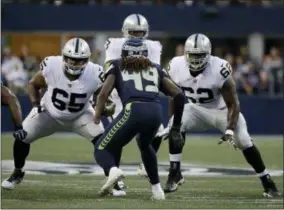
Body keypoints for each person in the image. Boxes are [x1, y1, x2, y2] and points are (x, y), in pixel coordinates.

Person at [160, 34, 281, 198]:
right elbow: (174, 97)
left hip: (222, 111)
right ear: (185, 54)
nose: (195, 60)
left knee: (244, 141)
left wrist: (230, 129)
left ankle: (267, 182)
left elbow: (233, 103)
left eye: (199, 55)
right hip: (195, 109)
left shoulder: (219, 68)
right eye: (192, 55)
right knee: (175, 125)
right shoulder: (176, 65)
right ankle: (174, 173)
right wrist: (173, 125)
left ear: (208, 54)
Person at [1, 38, 114, 191]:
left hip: (80, 115)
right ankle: (18, 171)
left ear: (87, 60)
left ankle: (113, 180)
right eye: (70, 59)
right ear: (63, 57)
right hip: (49, 113)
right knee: (22, 137)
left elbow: (103, 97)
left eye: (79, 60)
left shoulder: (95, 72)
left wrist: (104, 107)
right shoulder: (52, 65)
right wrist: (35, 105)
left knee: (103, 142)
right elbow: (33, 84)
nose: (74, 64)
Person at [93, 38, 185, 200]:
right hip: (156, 111)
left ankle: (114, 171)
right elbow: (178, 94)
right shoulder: (156, 68)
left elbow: (103, 94)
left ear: (124, 54)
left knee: (101, 147)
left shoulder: (117, 65)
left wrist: (97, 115)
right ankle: (157, 191)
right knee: (145, 145)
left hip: (133, 109)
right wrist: (176, 126)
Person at [104, 14, 166, 178]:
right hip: (120, 95)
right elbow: (109, 70)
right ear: (125, 31)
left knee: (158, 132)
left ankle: (145, 165)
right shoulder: (114, 44)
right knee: (115, 139)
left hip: (142, 94)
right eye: (133, 32)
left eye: (140, 32)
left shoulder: (153, 46)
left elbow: (154, 72)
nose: (137, 36)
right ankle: (115, 178)